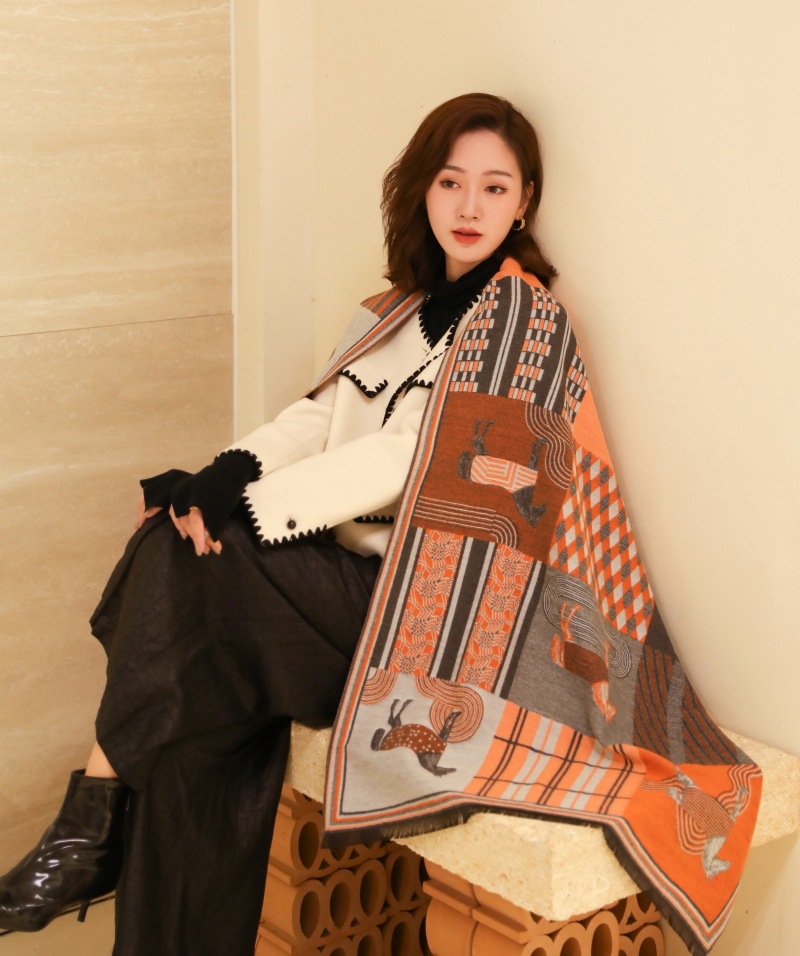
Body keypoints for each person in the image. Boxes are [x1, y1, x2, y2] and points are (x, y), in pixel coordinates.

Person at [0, 93, 556, 955]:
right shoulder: (395, 309)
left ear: (524, 203)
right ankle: (99, 839)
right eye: (451, 182)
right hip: (332, 587)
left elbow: (414, 457)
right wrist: (220, 474)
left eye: (495, 187)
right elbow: (318, 414)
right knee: (200, 715)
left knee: (199, 559)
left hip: (416, 616)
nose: (470, 206)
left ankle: (91, 819)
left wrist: (248, 509)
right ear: (423, 189)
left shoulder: (525, 321)